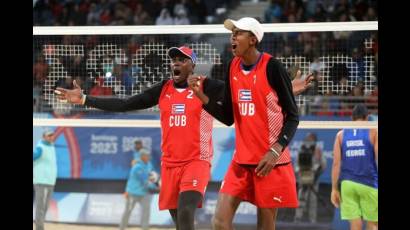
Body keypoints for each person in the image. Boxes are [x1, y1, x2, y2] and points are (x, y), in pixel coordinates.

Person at [55, 46, 225, 230]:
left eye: (182, 60)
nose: (176, 62)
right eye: (174, 59)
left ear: (193, 66)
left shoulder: (207, 86)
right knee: (180, 222)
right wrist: (84, 99)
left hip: (196, 161)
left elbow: (237, 93)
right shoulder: (163, 89)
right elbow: (125, 104)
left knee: (185, 212)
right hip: (170, 164)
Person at [188, 17, 302, 230]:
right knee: (220, 222)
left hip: (269, 162)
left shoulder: (273, 67)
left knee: (265, 226)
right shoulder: (232, 66)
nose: (232, 36)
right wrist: (200, 96)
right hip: (241, 161)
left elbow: (293, 116)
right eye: (232, 33)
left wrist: (275, 151)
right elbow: (229, 116)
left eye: (238, 33)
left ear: (252, 39)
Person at [331, 104, 378, 230]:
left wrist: (334, 189)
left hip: (347, 184)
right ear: (367, 117)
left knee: (355, 226)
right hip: (369, 183)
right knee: (373, 224)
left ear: (352, 117)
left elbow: (336, 164)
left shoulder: (341, 134)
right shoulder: (374, 131)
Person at [120, 148, 158, 230]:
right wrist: (157, 188)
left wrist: (156, 180)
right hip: (132, 193)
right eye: (147, 155)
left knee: (146, 213)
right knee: (127, 212)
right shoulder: (137, 167)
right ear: (142, 156)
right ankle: (121, 228)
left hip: (144, 193)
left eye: (149, 155)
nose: (149, 157)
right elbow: (145, 180)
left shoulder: (149, 164)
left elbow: (151, 176)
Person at [294, 132, 326, 223]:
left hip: (313, 179)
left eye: (311, 139)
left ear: (315, 141)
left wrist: (316, 173)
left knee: (313, 201)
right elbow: (296, 164)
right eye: (308, 138)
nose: (309, 140)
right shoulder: (302, 149)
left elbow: (323, 164)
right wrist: (299, 171)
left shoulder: (318, 150)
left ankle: (313, 221)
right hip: (302, 178)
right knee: (301, 199)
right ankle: (297, 219)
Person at [33, 130, 57, 230]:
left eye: (52, 135)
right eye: (49, 135)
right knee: (40, 207)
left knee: (45, 207)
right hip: (41, 181)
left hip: (50, 181)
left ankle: (39, 226)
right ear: (44, 137)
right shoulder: (40, 147)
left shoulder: (51, 147)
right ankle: (39, 228)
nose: (51, 137)